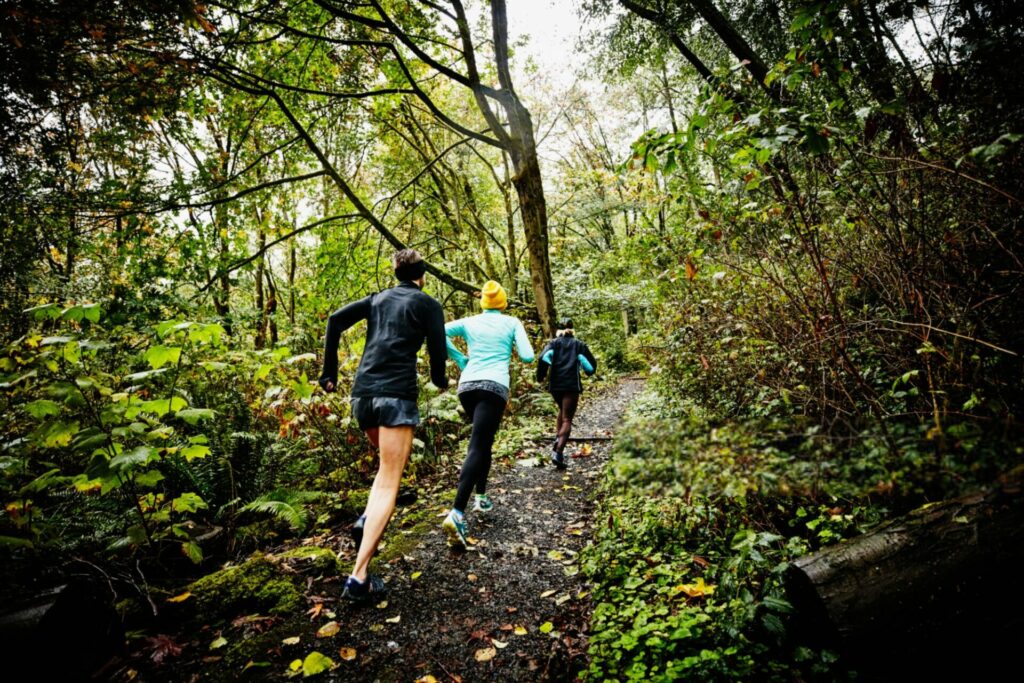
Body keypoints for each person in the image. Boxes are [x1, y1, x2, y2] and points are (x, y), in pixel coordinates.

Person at [318, 249, 448, 603]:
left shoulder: (376, 300)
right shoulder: (428, 304)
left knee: (383, 472)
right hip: (395, 397)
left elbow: (334, 320)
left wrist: (329, 372)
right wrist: (441, 380)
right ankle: (358, 578)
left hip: (363, 397)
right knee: (390, 479)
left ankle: (366, 520)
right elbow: (439, 356)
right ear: (422, 276)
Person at [441, 280, 534, 548]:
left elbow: (437, 331)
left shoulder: (469, 321)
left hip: (467, 387)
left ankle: (481, 496)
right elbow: (527, 357)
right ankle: (457, 512)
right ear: (503, 302)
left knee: (484, 441)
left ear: (483, 302)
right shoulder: (512, 322)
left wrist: (460, 358)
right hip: (494, 387)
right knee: (478, 445)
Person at [536, 318, 597, 469]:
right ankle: (558, 451)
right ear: (572, 329)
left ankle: (559, 445)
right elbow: (590, 368)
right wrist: (583, 367)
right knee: (567, 419)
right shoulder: (579, 345)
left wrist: (541, 376)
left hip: (555, 385)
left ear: (558, 330)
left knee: (562, 412)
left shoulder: (553, 344)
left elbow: (543, 358)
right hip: (571, 386)